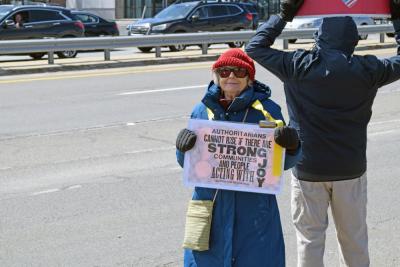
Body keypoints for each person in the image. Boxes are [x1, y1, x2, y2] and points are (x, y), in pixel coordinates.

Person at [245, 0, 400, 266]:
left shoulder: (297, 64)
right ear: (353, 40)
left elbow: (254, 47)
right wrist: (397, 18)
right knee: (354, 241)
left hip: (308, 168)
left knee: (309, 240)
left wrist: (283, 16)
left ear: (318, 37)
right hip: (349, 169)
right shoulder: (369, 69)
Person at [175, 48, 301, 267]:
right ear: (216, 76)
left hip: (254, 210)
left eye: (238, 72)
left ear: (249, 78)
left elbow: (280, 166)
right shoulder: (201, 111)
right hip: (210, 207)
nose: (231, 76)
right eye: (224, 72)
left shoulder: (267, 112)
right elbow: (190, 164)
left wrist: (291, 147)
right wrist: (181, 148)